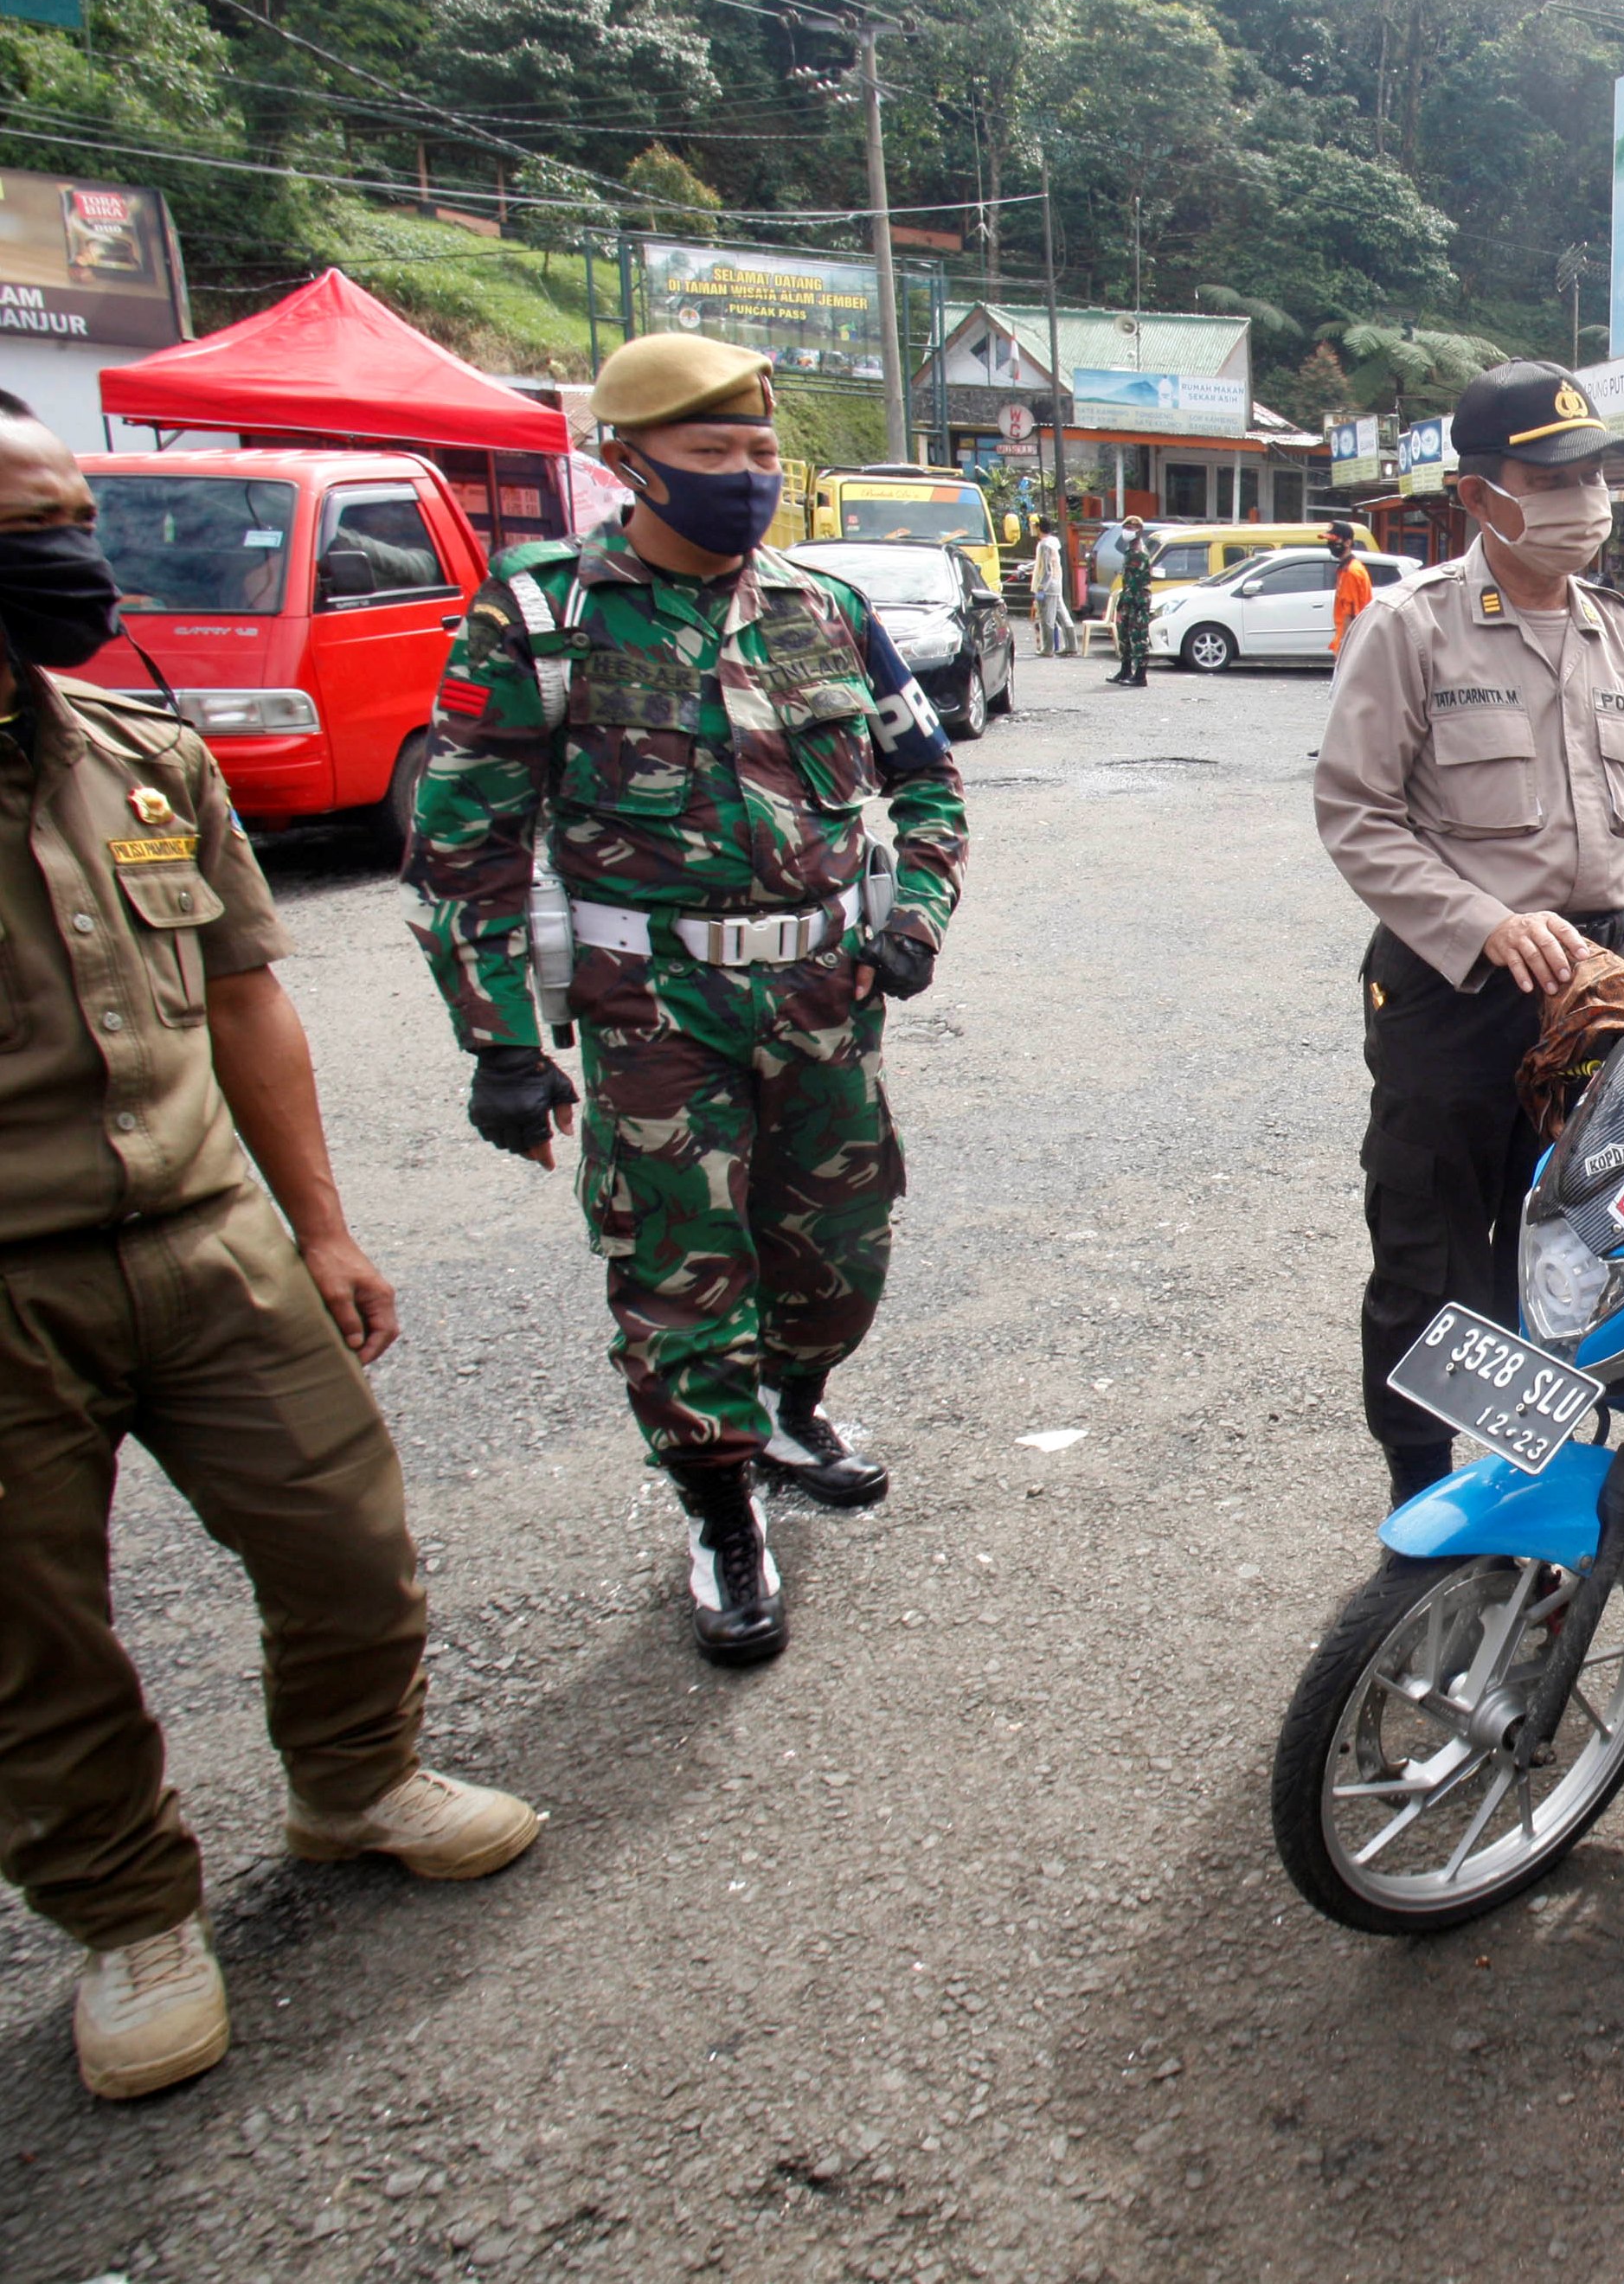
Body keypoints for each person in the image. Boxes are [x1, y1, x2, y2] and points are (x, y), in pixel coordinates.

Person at [0, 391, 537, 2101]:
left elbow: (248, 1002)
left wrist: (318, 1221)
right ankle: (131, 1916)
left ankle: (352, 1779)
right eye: (26, 534)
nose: (71, 562)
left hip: (206, 1231)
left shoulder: (139, 756)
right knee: (36, 1636)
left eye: (69, 517)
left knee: (345, 1534)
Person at [408, 331, 969, 1667]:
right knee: (679, 1270)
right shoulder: (544, 614)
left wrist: (923, 913)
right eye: (709, 455)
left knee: (841, 1252)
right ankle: (719, 1508)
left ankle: (792, 1403)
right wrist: (498, 1043)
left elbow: (931, 783)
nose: (744, 477)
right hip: (654, 1008)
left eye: (762, 453)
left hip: (829, 998)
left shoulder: (822, 610)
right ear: (626, 462)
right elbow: (464, 845)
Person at [1314, 358, 1624, 1506]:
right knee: (1429, 1249)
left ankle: (1550, 1500)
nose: (1582, 499)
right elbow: (1354, 813)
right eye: (1548, 477)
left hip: (1600, 993)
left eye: (1592, 474)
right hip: (1454, 996)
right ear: (1479, 497)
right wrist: (1479, 924)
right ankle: (1419, 1498)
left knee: (1588, 1251)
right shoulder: (1410, 627)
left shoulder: (1621, 639)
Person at [1107, 516, 1154, 686]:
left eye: (1131, 528)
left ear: (1139, 530)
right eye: (1125, 527)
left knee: (1138, 637)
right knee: (1125, 636)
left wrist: (1126, 600)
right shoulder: (1130, 549)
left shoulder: (1139, 552)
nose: (1127, 531)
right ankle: (1125, 670)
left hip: (1138, 600)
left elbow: (1136, 583)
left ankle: (1140, 675)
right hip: (1129, 598)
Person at [1326, 517, 1373, 658]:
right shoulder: (1347, 568)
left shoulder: (1350, 572)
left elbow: (1350, 612)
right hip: (1353, 639)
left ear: (1348, 542)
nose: (1330, 544)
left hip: (1351, 641)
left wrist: (1343, 645)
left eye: (1335, 540)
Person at [1030, 522, 1070, 658]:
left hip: (1048, 586)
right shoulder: (1053, 542)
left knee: (1046, 618)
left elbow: (1047, 570)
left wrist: (1041, 589)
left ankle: (1047, 648)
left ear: (1039, 528)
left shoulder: (1044, 545)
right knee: (1062, 616)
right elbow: (1041, 563)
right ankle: (1071, 646)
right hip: (1056, 585)